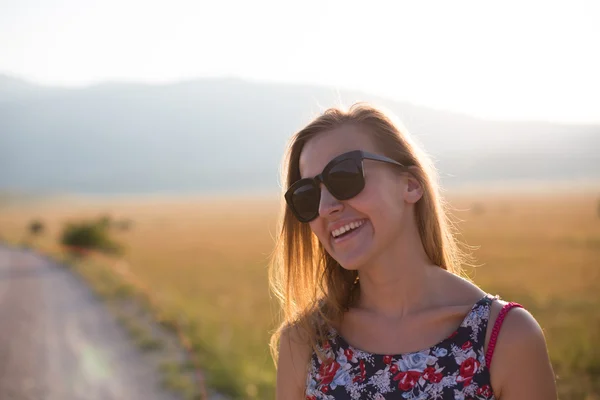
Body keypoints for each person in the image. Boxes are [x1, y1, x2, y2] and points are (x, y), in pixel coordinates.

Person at [269, 103, 557, 399]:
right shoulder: (307, 342)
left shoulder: (505, 337)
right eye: (307, 195)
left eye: (344, 176)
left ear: (411, 185)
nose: (325, 207)